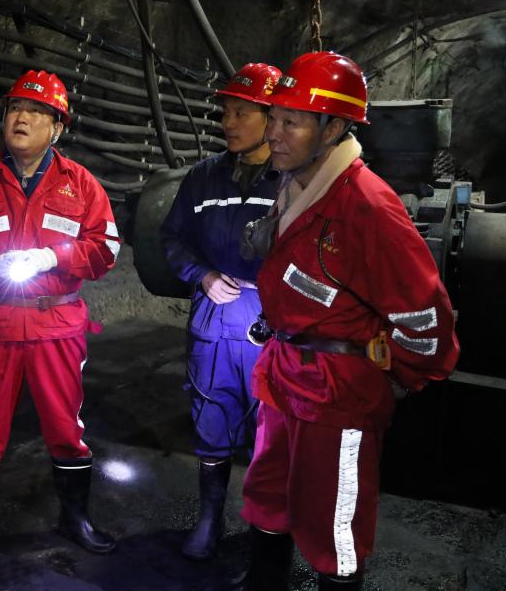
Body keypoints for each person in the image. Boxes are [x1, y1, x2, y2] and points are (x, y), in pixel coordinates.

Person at [239, 51, 460, 590]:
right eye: (274, 118)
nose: (274, 134)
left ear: (333, 128)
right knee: (267, 494)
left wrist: (401, 377)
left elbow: (425, 316)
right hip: (285, 371)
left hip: (337, 393)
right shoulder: (296, 183)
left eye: (291, 122)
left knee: (333, 525)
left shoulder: (366, 205)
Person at [0, 70, 120, 553]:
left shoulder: (80, 184)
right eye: (16, 108)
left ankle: (75, 520)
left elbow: (106, 250)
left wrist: (53, 256)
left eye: (37, 112)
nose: (22, 118)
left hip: (55, 324)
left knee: (65, 427)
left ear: (57, 128)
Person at [160, 62, 282, 560]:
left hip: (272, 322)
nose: (228, 123)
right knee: (211, 420)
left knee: (270, 434)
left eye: (241, 113)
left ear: (273, 117)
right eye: (225, 112)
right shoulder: (203, 177)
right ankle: (209, 521)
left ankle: (262, 538)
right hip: (215, 315)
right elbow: (172, 237)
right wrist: (203, 275)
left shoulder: (296, 179)